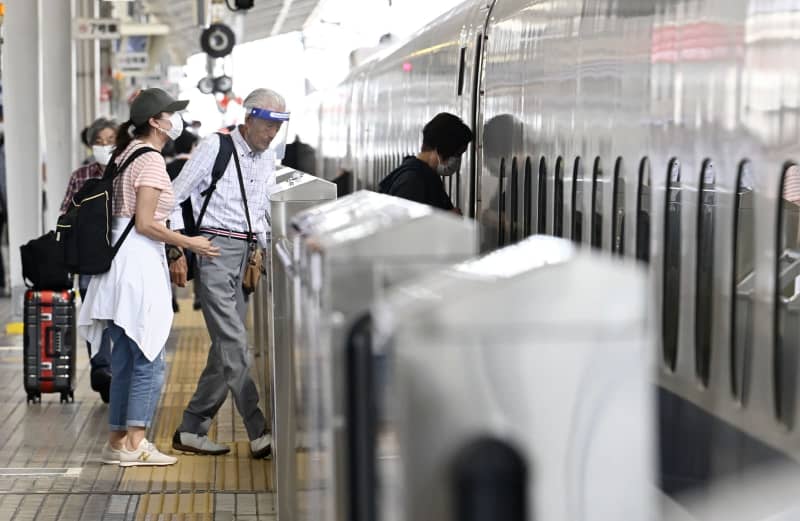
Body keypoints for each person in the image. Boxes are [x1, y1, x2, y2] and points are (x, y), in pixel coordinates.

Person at [77, 88, 219, 467]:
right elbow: (145, 223)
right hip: (137, 265)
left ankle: (118, 441)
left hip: (119, 265)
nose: (174, 121)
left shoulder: (125, 154)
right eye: (170, 114)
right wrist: (190, 243)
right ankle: (137, 443)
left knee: (125, 357)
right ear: (155, 122)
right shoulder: (152, 160)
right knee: (149, 358)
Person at [167, 88, 287, 459]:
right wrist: (178, 247)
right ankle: (258, 428)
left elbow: (263, 208)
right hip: (215, 251)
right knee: (235, 342)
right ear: (248, 118)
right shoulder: (214, 148)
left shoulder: (269, 157)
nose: (271, 135)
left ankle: (191, 429)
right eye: (267, 125)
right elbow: (172, 196)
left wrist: (266, 248)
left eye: (278, 127)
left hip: (248, 254)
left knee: (224, 349)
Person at [59, 117, 118, 402]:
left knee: (117, 314)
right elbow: (65, 215)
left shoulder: (127, 172)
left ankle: (116, 370)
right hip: (88, 257)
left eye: (110, 141)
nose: (104, 146)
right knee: (93, 313)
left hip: (120, 256)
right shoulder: (80, 176)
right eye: (99, 142)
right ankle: (101, 369)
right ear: (90, 144)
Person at [378, 112, 473, 213]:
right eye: (457, 154)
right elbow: (403, 226)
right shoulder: (412, 181)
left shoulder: (425, 176)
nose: (457, 160)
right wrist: (446, 220)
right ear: (441, 148)